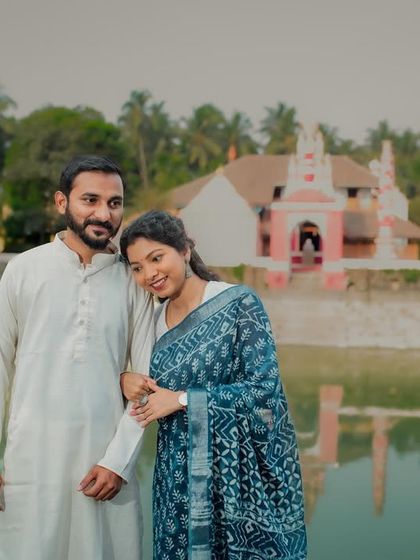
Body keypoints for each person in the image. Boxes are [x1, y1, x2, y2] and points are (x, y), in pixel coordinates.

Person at [120, 210, 307, 560]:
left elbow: (264, 388)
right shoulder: (152, 322)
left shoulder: (238, 303)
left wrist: (182, 399)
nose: (150, 274)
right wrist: (124, 378)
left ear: (185, 250)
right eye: (137, 268)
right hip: (178, 478)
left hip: (240, 476)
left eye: (156, 258)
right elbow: (139, 384)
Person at [0, 155, 155, 560]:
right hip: (31, 463)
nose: (104, 213)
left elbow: (146, 381)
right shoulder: (23, 270)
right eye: (90, 199)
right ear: (61, 202)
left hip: (104, 467)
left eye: (115, 202)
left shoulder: (132, 280)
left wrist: (119, 462)